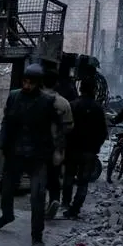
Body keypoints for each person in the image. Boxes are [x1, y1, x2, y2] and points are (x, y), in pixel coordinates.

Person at [0, 63, 61, 246]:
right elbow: (6, 123)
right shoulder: (14, 97)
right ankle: (7, 215)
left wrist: (57, 151)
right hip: (15, 153)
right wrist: (0, 147)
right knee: (6, 190)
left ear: (38, 83)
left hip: (38, 156)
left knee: (37, 196)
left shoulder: (47, 102)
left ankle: (37, 235)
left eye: (30, 82)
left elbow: (56, 128)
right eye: (24, 81)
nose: (26, 85)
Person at [62, 77, 108, 218]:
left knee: (68, 177)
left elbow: (65, 128)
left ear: (80, 89)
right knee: (83, 181)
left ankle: (65, 203)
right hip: (89, 151)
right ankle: (75, 209)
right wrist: (96, 148)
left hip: (72, 149)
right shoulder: (98, 109)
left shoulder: (72, 105)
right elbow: (103, 133)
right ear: (94, 90)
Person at [41, 70, 74, 219]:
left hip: (36, 146)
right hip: (55, 147)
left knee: (38, 177)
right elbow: (69, 127)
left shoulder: (35, 99)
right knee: (54, 176)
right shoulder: (63, 102)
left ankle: (39, 204)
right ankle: (54, 200)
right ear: (56, 84)